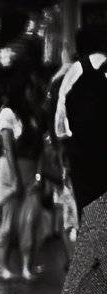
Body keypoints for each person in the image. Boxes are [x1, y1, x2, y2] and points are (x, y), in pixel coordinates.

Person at [0, 76, 46, 282]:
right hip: (11, 172)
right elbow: (8, 148)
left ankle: (27, 265)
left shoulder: (33, 113)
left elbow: (40, 147)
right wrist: (15, 179)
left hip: (30, 171)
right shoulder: (7, 113)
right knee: (9, 219)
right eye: (29, 88)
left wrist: (38, 174)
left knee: (30, 219)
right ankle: (3, 266)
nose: (33, 91)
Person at [56, 25, 107, 216]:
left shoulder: (75, 71)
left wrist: (65, 146)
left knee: (91, 210)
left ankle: (96, 234)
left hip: (82, 154)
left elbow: (60, 122)